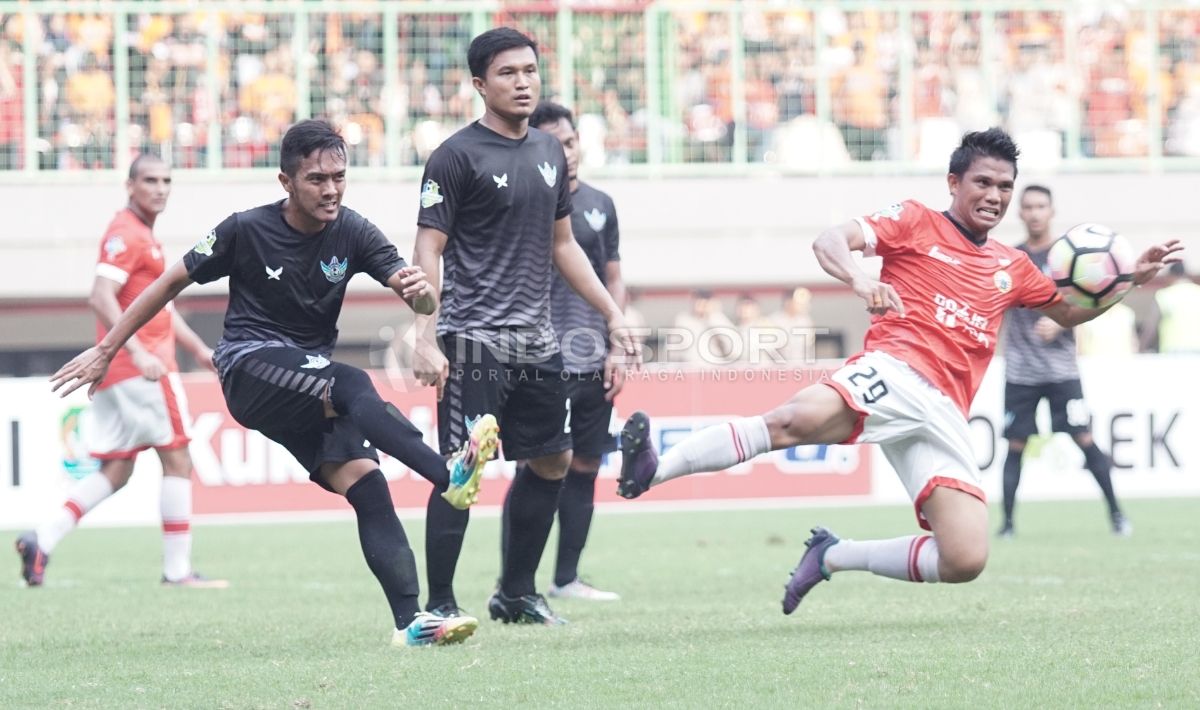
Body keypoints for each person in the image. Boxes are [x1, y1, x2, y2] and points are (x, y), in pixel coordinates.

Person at [615, 128, 1182, 614]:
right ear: (954, 183)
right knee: (792, 421)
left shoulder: (1012, 265)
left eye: (1004, 187)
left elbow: (1068, 310)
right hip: (896, 369)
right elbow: (830, 239)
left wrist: (1129, 279)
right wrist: (861, 280)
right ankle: (654, 469)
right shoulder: (914, 221)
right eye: (983, 182)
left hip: (943, 412)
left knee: (964, 559)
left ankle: (831, 554)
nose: (995, 196)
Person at [50, 120, 497, 648]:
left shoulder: (353, 230)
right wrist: (107, 348)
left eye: (338, 176)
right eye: (316, 179)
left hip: (306, 383)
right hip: (248, 368)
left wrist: (422, 297)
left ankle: (410, 625)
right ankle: (448, 476)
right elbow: (170, 282)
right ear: (286, 182)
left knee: (368, 485)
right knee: (352, 384)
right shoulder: (245, 228)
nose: (331, 189)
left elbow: (417, 296)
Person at [411, 28, 636, 626]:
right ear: (481, 85)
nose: (523, 82)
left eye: (530, 71)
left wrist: (613, 314)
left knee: (553, 463)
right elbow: (427, 248)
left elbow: (564, 246)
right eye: (508, 73)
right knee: (463, 469)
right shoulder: (455, 156)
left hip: (538, 342)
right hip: (473, 339)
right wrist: (424, 334)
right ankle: (438, 605)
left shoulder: (547, 153)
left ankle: (516, 594)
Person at [15, 154, 226, 589]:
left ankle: (43, 539)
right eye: (150, 180)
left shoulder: (143, 236)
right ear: (129, 186)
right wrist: (138, 352)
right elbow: (101, 296)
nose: (160, 188)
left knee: (116, 471)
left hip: (120, 370)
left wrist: (199, 349)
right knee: (178, 457)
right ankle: (177, 571)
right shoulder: (126, 234)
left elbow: (159, 308)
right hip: (140, 368)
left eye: (167, 180)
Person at [531, 101, 625, 601]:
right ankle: (515, 583)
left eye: (569, 142)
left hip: (593, 357)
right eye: (553, 145)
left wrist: (619, 346)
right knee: (540, 467)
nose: (565, 153)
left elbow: (614, 279)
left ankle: (566, 578)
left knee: (586, 464)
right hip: (538, 358)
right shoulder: (522, 202)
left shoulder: (600, 204)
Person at [997, 184, 1130, 539]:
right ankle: (1007, 525)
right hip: (1021, 371)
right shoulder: (1012, 259)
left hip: (1061, 371)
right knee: (1015, 446)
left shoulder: (1070, 257)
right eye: (1029, 206)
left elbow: (1090, 301)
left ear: (1051, 211)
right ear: (1020, 213)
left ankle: (1117, 515)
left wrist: (1059, 323)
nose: (1035, 212)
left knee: (1084, 438)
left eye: (1041, 205)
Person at [1140, 262, 1200, 353]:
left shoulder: (1164, 295)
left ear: (1171, 276)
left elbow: (1151, 327)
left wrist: (1141, 348)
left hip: (1172, 351)